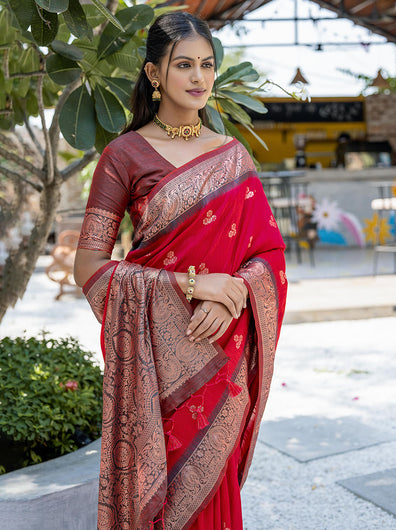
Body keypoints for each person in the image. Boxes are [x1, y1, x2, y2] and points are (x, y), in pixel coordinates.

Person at [74, 11, 287, 530]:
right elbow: (90, 267)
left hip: (221, 354)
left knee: (210, 497)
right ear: (153, 74)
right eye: (184, 65)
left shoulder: (232, 157)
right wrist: (191, 284)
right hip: (151, 365)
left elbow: (271, 255)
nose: (199, 78)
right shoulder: (123, 155)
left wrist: (232, 288)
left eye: (208, 66)